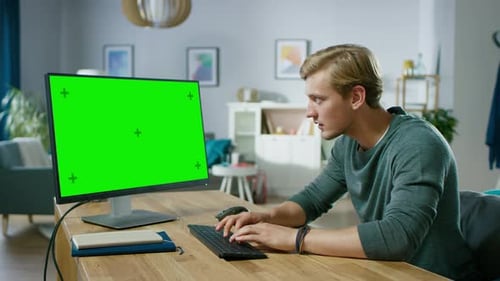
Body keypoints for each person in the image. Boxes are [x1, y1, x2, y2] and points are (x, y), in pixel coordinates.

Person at [216, 44, 481, 280]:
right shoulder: (347, 144)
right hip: (387, 270)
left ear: (356, 97)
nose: (309, 111)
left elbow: (397, 237)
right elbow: (313, 200)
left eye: (318, 99)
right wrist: (266, 216)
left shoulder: (418, 144)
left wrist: (295, 238)